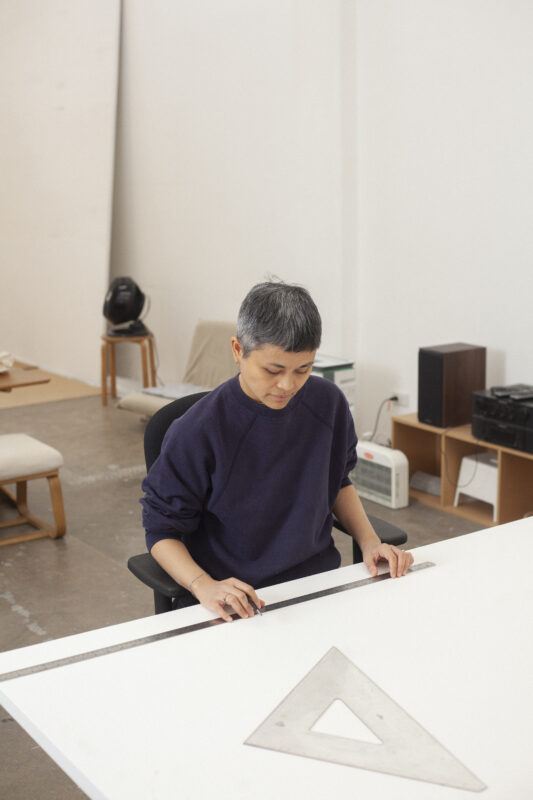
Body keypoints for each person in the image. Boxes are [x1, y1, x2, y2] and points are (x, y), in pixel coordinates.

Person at [141, 282, 413, 622]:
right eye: (273, 370)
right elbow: (161, 532)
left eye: (303, 369)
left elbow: (337, 481)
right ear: (238, 350)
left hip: (318, 586)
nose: (288, 385)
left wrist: (371, 542)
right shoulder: (197, 431)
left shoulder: (328, 404)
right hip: (236, 600)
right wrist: (203, 585)